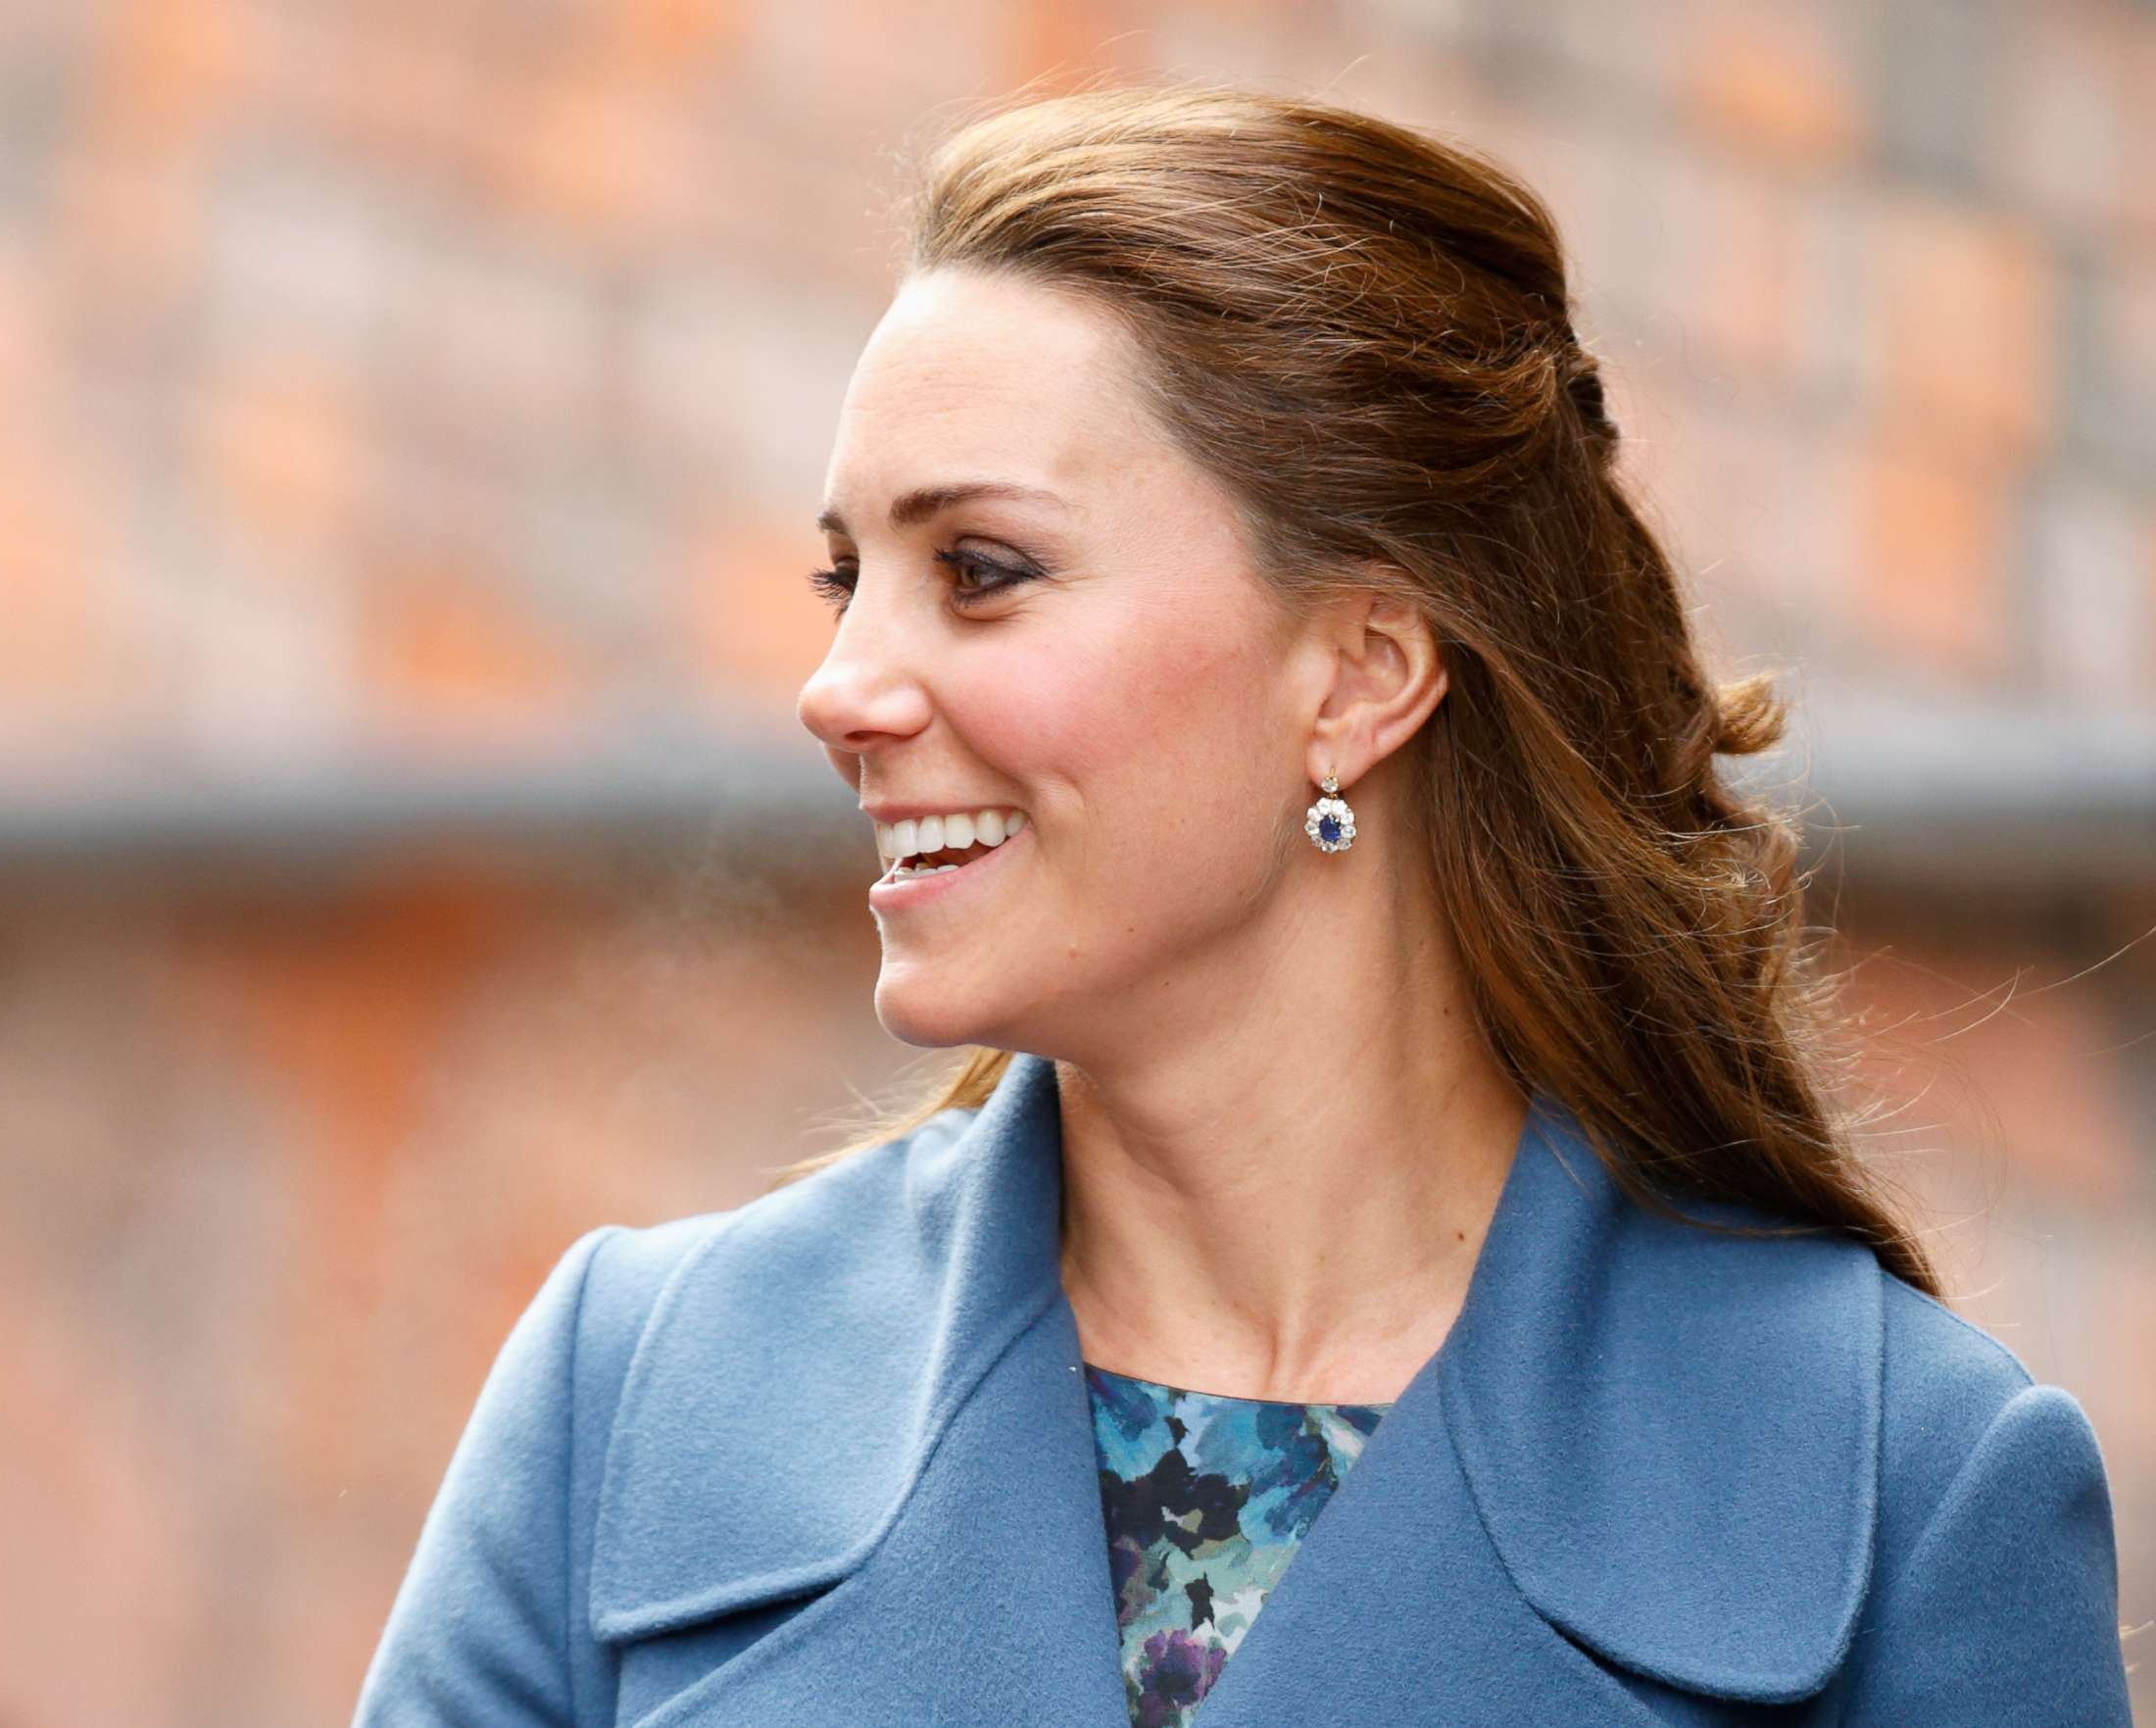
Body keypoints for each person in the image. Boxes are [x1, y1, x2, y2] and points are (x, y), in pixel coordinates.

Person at [351, 84, 2133, 1727]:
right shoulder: (640, 1398)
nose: (841, 686)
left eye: (980, 572)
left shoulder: (1901, 1495)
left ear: (1360, 672)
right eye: (847, 578)